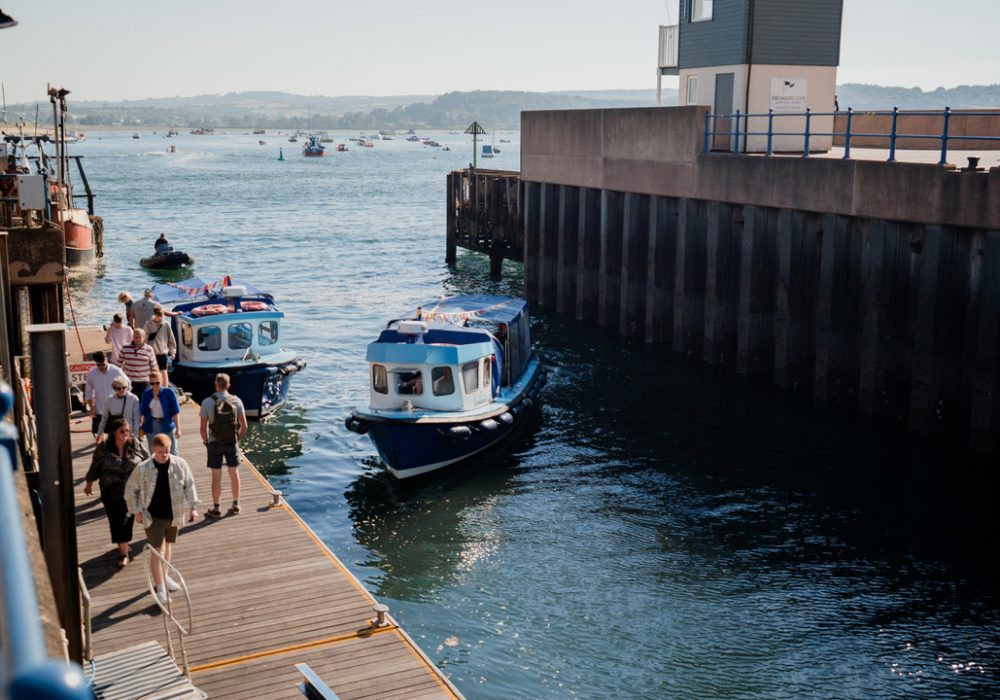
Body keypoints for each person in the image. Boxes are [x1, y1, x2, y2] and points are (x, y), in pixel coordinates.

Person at [125, 433, 199, 604]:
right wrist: (136, 510)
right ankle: (159, 588)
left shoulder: (180, 464)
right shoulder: (143, 468)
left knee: (167, 547)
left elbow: (190, 484)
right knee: (157, 551)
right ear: (153, 450)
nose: (164, 455)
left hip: (174, 514)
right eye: (160, 452)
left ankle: (164, 576)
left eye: (166, 451)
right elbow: (130, 490)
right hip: (152, 516)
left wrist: (193, 507)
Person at [84, 418, 148, 568]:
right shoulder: (105, 447)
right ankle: (123, 552)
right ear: (114, 432)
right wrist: (89, 484)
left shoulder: (135, 444)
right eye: (122, 431)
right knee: (117, 520)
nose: (126, 434)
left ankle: (123, 545)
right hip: (111, 490)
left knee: (127, 519)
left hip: (132, 490)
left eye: (128, 430)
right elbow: (95, 466)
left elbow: (147, 460)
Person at [199, 373, 247, 519]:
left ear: (215, 384)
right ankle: (236, 504)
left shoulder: (207, 402)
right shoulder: (237, 401)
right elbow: (244, 425)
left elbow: (202, 428)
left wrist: (206, 441)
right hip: (231, 443)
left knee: (216, 475)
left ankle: (216, 508)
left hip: (214, 442)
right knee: (234, 472)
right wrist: (236, 439)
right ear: (228, 385)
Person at [85, 351, 129, 437]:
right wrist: (91, 407)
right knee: (98, 435)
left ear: (106, 359)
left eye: (103, 364)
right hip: (99, 409)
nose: (101, 367)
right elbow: (88, 392)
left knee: (116, 435)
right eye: (98, 365)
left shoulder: (116, 371)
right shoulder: (92, 373)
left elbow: (128, 385)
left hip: (115, 410)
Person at [140, 372, 181, 455]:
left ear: (162, 381)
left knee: (173, 451)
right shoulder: (146, 394)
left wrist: (178, 428)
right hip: (152, 424)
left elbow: (175, 411)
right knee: (153, 452)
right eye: (152, 383)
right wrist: (141, 426)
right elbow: (143, 411)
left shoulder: (169, 393)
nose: (155, 385)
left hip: (167, 423)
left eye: (157, 383)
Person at [118, 328, 158, 399]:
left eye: (140, 337)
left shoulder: (149, 349)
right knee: (129, 404)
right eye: (136, 337)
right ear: (133, 337)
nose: (138, 339)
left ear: (144, 337)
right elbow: (118, 365)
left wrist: (155, 383)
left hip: (144, 382)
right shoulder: (125, 348)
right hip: (128, 382)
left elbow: (154, 367)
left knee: (143, 404)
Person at [143, 306, 176, 386]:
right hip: (152, 352)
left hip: (162, 352)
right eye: (158, 316)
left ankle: (165, 389)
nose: (160, 318)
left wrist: (173, 352)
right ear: (154, 315)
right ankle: (153, 388)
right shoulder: (148, 324)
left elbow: (171, 338)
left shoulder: (165, 324)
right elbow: (144, 338)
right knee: (153, 372)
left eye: (161, 316)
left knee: (163, 371)